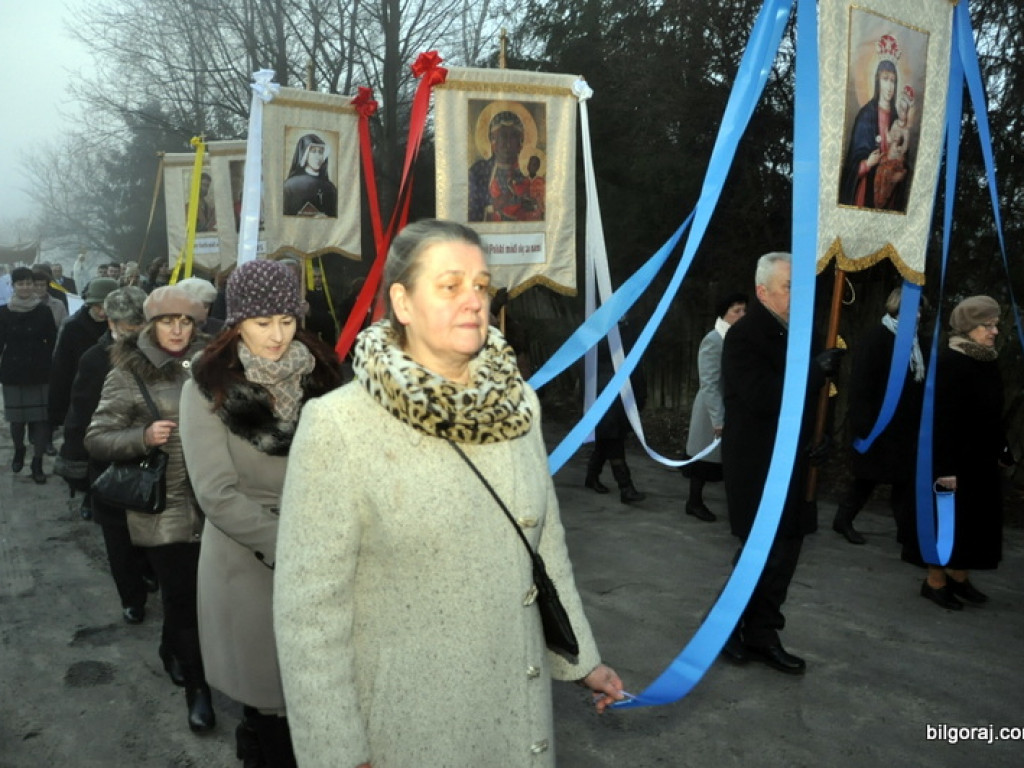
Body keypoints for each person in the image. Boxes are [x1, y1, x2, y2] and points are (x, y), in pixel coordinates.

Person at [274, 219, 624, 767]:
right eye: (450, 285)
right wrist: (338, 753)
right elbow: (310, 616)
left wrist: (582, 661)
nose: (473, 300)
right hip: (409, 729)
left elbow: (544, 547)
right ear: (403, 302)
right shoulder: (339, 426)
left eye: (481, 285)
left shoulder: (519, 408)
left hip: (514, 709)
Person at [179, 259, 342, 767]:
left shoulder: (326, 375)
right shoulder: (207, 385)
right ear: (236, 323)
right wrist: (291, 546)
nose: (277, 335)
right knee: (272, 703)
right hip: (250, 557)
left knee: (329, 699)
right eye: (262, 322)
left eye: (287, 320)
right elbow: (216, 493)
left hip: (330, 553)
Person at [85, 286, 215, 732]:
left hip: (213, 503)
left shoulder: (212, 364)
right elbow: (96, 438)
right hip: (163, 506)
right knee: (181, 598)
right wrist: (142, 437)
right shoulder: (127, 373)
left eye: (186, 321)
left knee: (197, 598)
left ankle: (169, 647)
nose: (177, 330)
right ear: (151, 324)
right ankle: (198, 690)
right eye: (167, 321)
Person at [720, 252, 843, 674]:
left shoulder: (805, 334)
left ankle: (763, 633)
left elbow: (819, 401)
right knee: (761, 553)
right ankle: (723, 628)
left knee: (787, 553)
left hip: (798, 463)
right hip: (759, 465)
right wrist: (813, 372)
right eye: (790, 286)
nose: (799, 294)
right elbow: (763, 397)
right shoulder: (744, 336)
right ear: (762, 291)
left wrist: (824, 438)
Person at [58, 287, 158, 622]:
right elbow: (81, 415)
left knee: (154, 525)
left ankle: (149, 572)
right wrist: (75, 461)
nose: (137, 333)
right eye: (130, 327)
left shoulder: (166, 354)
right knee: (118, 536)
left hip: (156, 459)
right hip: (110, 463)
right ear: (111, 324)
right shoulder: (94, 360)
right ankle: (132, 598)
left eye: (142, 325)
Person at [922, 296, 1015, 610]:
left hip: (980, 461)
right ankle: (935, 581)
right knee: (946, 521)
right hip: (953, 460)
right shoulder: (950, 363)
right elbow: (941, 421)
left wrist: (1002, 446)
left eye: (995, 324)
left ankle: (958, 577)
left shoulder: (987, 361)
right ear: (967, 327)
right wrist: (944, 468)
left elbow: (992, 413)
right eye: (987, 325)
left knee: (973, 523)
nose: (994, 331)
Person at [832, 286, 925, 548]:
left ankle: (907, 533)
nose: (918, 315)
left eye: (920, 310)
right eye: (912, 309)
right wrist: (863, 424)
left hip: (906, 426)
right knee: (867, 478)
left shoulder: (920, 343)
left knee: (904, 481)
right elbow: (862, 384)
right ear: (896, 309)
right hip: (878, 424)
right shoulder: (877, 338)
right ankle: (843, 519)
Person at [683, 293, 747, 522]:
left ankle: (737, 507)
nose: (742, 315)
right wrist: (718, 419)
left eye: (744, 311)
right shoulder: (714, 339)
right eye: (736, 311)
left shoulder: (740, 338)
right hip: (711, 408)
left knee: (730, 461)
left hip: (733, 405)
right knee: (704, 460)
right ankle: (694, 502)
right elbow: (709, 382)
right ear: (724, 314)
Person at [0, 266, 58, 483]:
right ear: (13, 286)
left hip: (39, 371)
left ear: (34, 286)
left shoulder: (43, 311)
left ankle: (37, 462)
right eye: (20, 283)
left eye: (28, 283)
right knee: (16, 421)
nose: (25, 287)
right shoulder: (3, 312)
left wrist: (49, 364)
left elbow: (52, 341)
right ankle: (19, 449)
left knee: (40, 419)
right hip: (13, 372)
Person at [839, 36, 908, 210]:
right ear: (877, 81)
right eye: (885, 79)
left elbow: (902, 155)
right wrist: (867, 164)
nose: (890, 86)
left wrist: (900, 172)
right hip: (867, 190)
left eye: (893, 81)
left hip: (889, 191)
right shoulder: (866, 115)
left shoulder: (897, 117)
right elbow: (852, 163)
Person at [582, 320, 648, 504]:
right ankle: (625, 487)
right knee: (613, 439)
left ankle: (592, 476)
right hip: (605, 393)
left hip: (620, 393)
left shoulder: (625, 331)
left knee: (607, 439)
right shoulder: (600, 333)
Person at [48, 278, 120, 434]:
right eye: (97, 306)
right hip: (82, 396)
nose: (102, 312)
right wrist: (57, 410)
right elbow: (61, 369)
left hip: (116, 396)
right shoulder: (73, 327)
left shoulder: (123, 327)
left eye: (107, 307)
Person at [468, 110, 543, 222]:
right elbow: (472, 212)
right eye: (502, 136)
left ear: (521, 142)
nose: (507, 144)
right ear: (493, 140)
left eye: (513, 137)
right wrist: (496, 205)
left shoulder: (526, 173)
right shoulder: (479, 171)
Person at [282, 133, 338, 217]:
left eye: (320, 152)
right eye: (313, 151)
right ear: (304, 154)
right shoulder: (289, 186)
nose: (317, 156)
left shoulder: (330, 188)